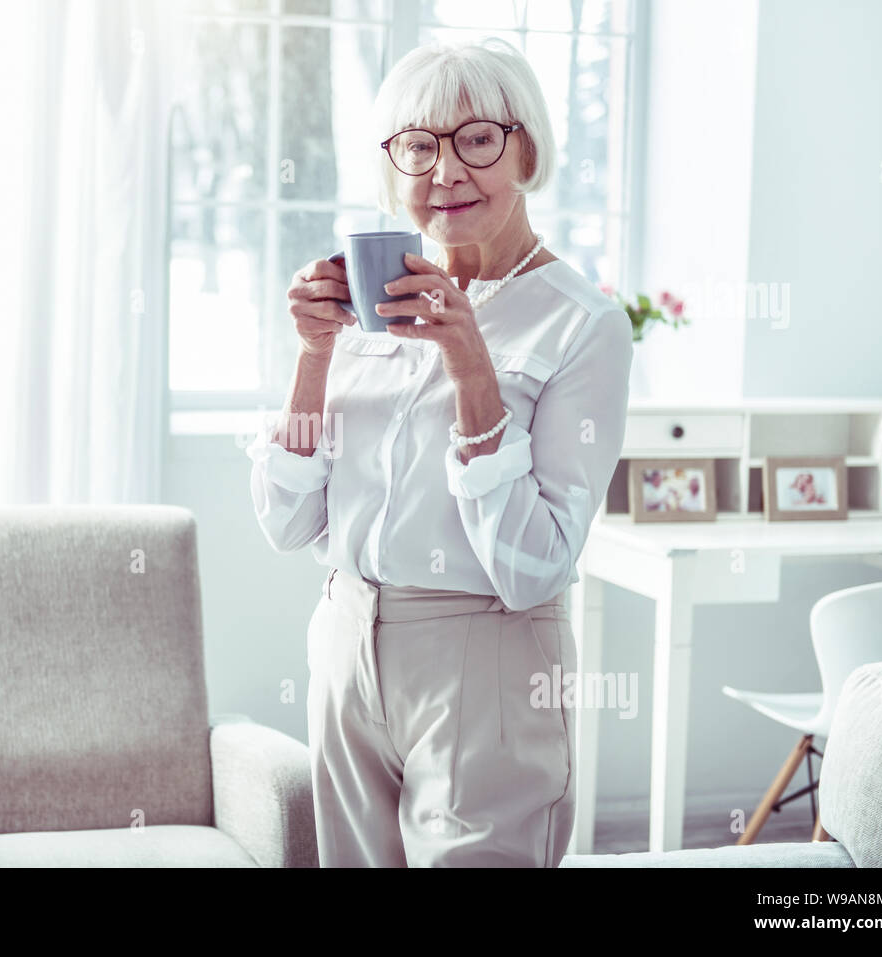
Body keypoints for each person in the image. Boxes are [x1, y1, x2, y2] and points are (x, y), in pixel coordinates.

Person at [245, 38, 632, 867]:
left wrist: (470, 367)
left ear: (525, 149)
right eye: (419, 145)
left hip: (482, 663)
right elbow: (286, 522)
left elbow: (537, 566)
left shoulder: (584, 324)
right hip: (346, 643)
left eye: (478, 139)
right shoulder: (370, 294)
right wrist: (313, 356)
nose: (446, 171)